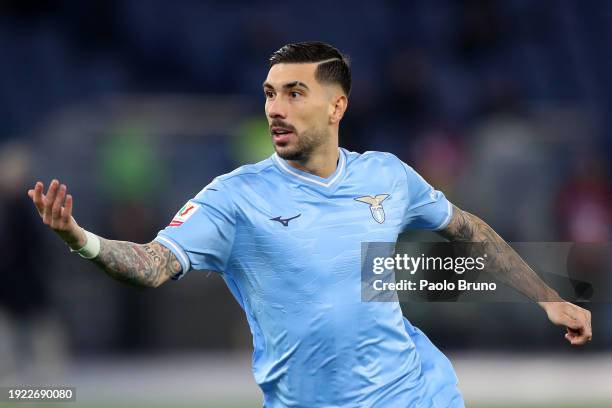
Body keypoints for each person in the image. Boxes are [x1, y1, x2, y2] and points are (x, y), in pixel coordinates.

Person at [28, 42, 592, 407]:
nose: (276, 108)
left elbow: (467, 230)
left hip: (416, 395)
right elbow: (153, 266)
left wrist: (546, 297)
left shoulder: (388, 176)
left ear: (336, 106)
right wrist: (84, 240)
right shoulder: (234, 197)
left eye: (295, 93)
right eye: (270, 94)